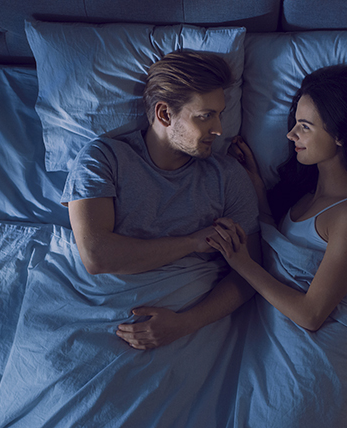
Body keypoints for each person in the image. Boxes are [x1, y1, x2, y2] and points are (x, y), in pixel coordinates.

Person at [61, 50, 261, 350]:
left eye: (219, 113)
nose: (219, 129)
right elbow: (96, 255)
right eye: (206, 116)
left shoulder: (228, 176)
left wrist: (185, 323)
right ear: (165, 114)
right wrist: (192, 243)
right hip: (99, 314)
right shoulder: (102, 158)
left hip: (186, 323)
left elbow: (252, 272)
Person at [207, 64, 347, 331]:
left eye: (305, 127)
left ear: (341, 134)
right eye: (295, 123)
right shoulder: (308, 193)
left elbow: (311, 315)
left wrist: (243, 264)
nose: (291, 134)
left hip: (321, 337)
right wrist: (257, 187)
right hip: (274, 319)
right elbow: (280, 248)